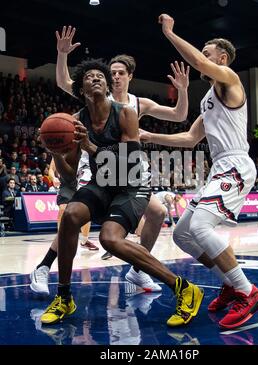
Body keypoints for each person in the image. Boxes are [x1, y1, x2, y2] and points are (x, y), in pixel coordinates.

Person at [40, 59, 203, 327]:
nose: (96, 78)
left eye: (100, 76)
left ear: (106, 86)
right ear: (80, 89)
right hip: (101, 184)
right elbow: (69, 176)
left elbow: (130, 158)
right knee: (70, 215)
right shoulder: (77, 120)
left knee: (109, 239)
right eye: (89, 77)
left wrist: (90, 147)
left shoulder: (126, 113)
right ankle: (64, 296)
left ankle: (184, 288)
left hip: (131, 184)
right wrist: (56, 153)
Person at [138, 13, 258, 330]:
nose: (202, 58)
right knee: (183, 233)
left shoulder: (229, 79)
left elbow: (196, 59)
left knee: (200, 227)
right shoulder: (209, 97)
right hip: (220, 169)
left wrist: (169, 33)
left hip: (236, 165)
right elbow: (192, 138)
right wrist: (151, 137)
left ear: (221, 58)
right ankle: (228, 280)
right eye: (205, 54)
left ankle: (248, 292)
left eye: (208, 54)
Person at [55, 26, 189, 291]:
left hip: (128, 171)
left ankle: (140, 269)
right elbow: (63, 81)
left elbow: (178, 116)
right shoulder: (87, 100)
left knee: (154, 213)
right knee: (70, 214)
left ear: (128, 77)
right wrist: (62, 56)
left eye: (118, 73)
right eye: (111, 72)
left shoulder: (134, 106)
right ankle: (54, 275)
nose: (113, 77)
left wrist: (183, 90)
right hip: (98, 172)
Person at [30, 154, 98, 296]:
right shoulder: (68, 142)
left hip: (97, 178)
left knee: (109, 235)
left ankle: (138, 270)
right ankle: (44, 267)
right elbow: (53, 167)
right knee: (66, 213)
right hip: (72, 178)